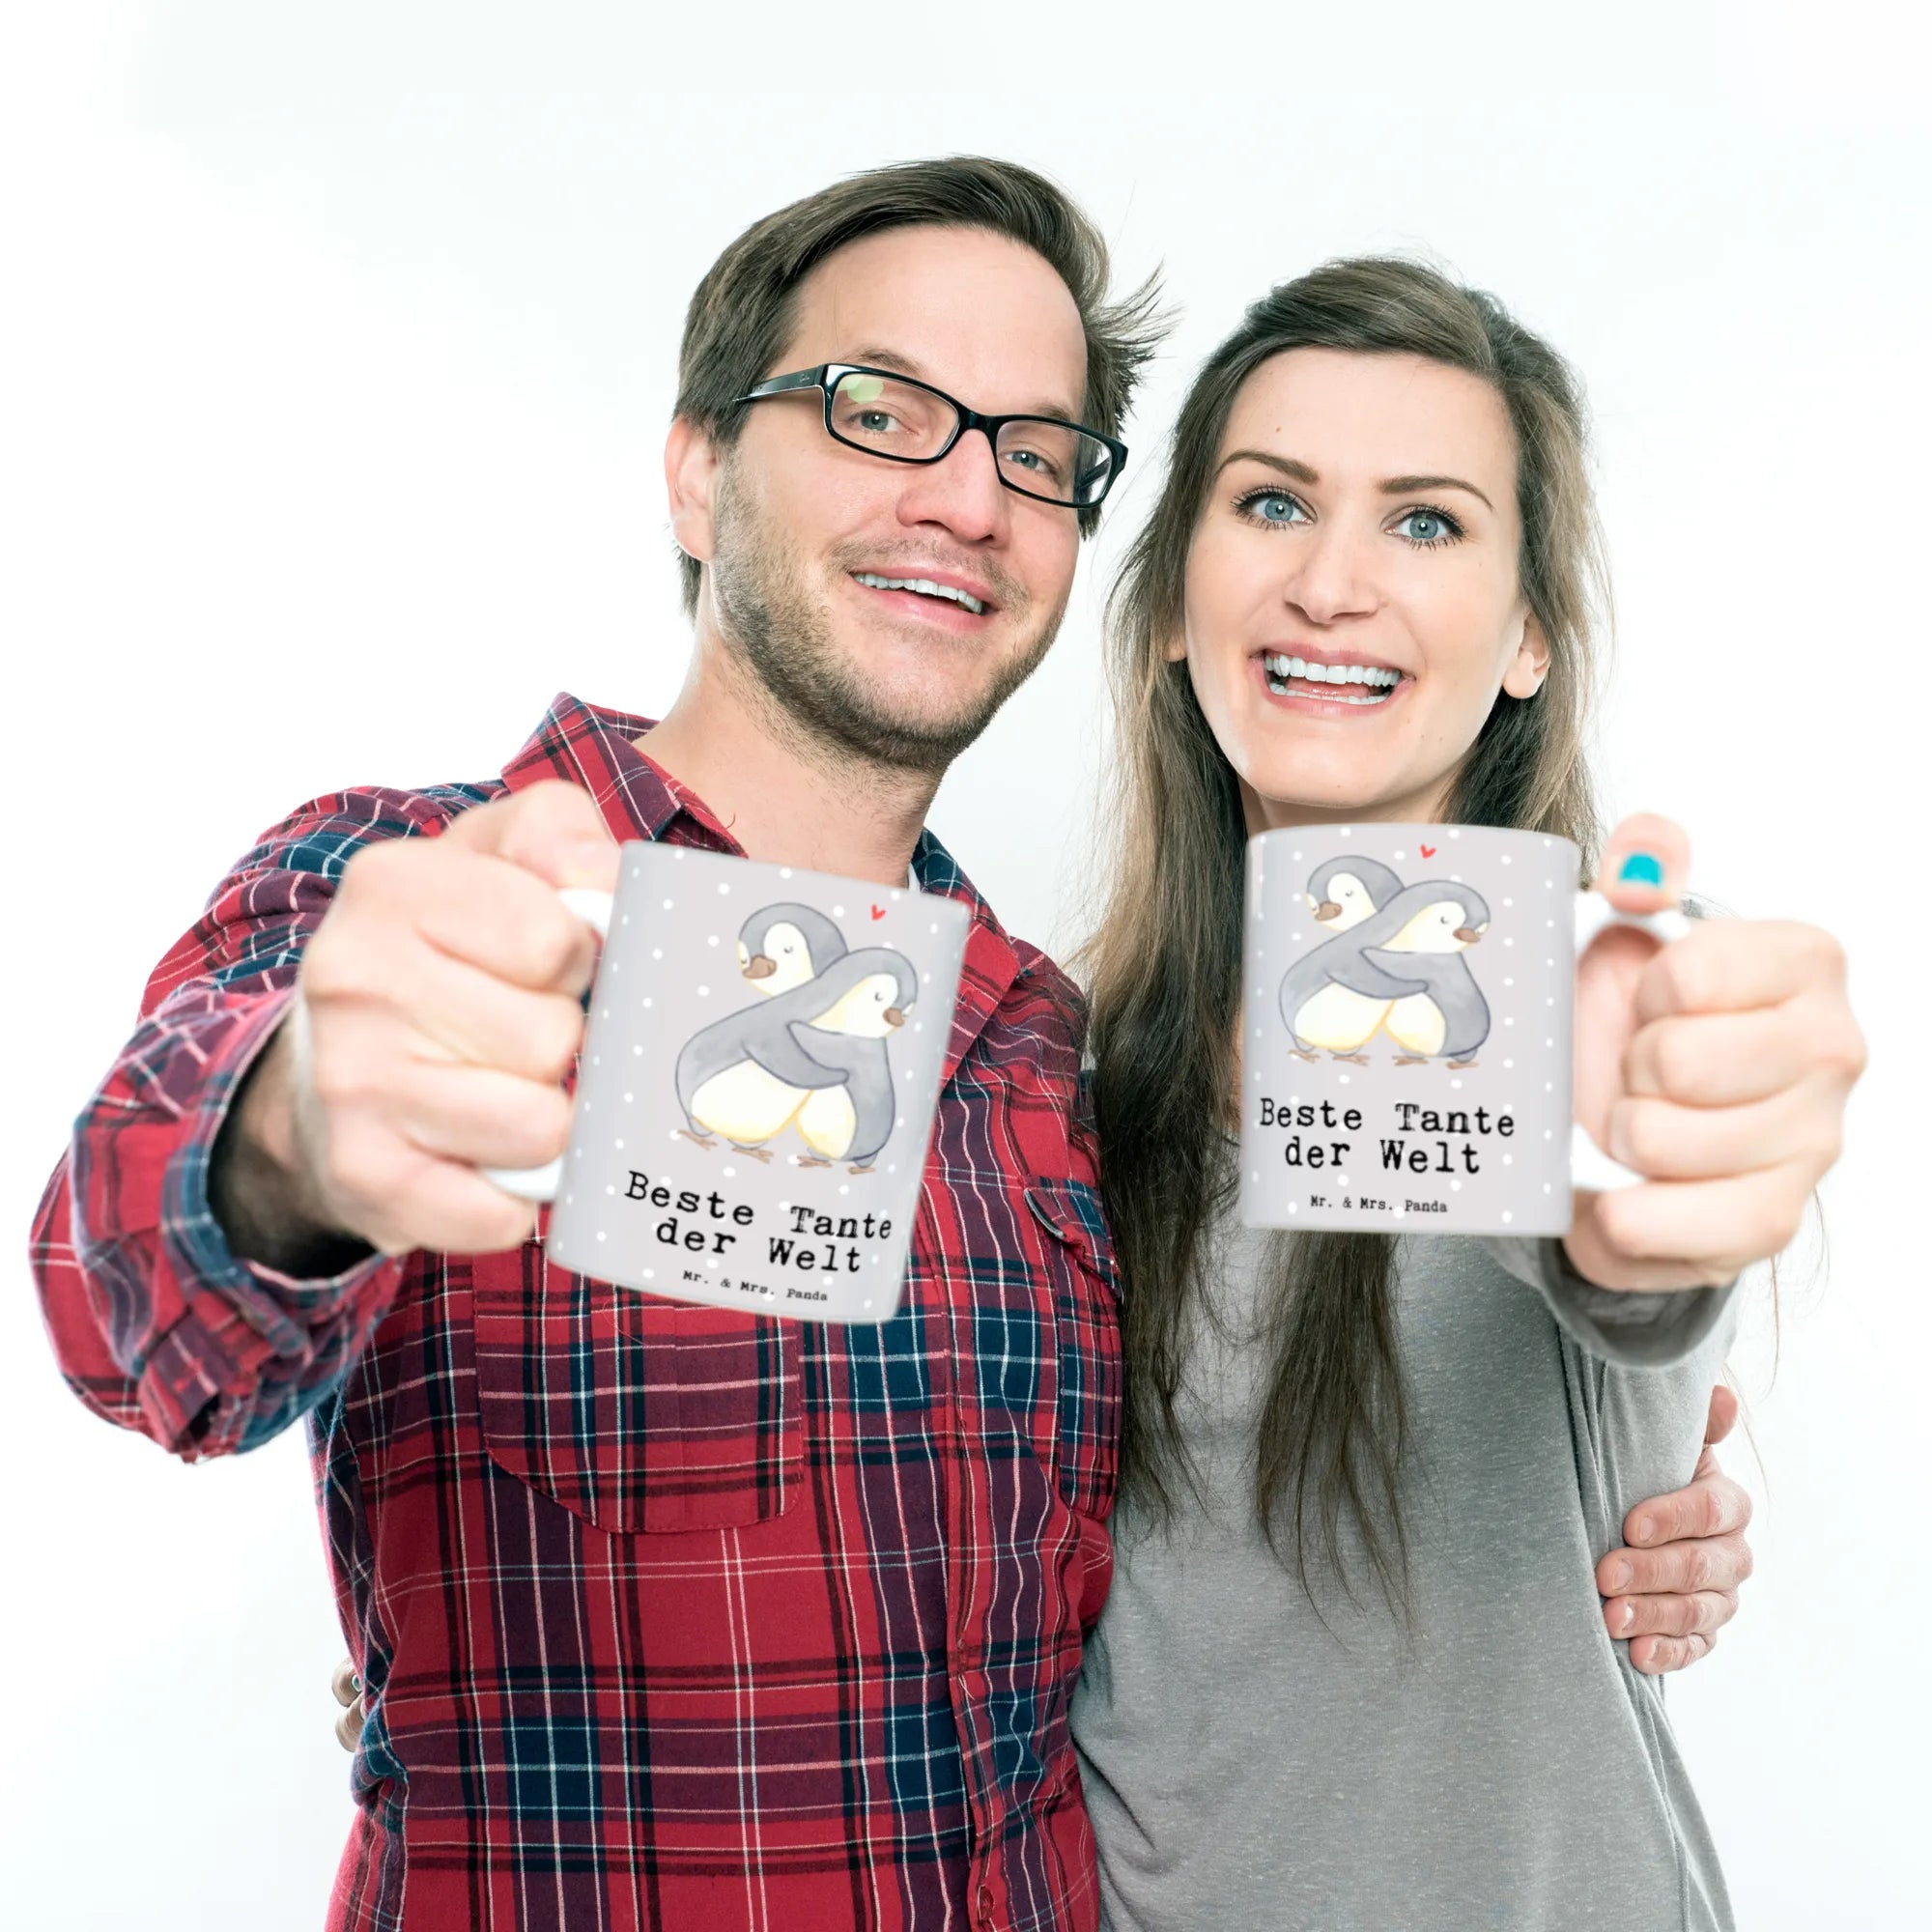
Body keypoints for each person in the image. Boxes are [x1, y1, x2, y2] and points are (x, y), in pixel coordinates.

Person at [35, 157, 1764, 1932]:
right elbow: (123, 1292)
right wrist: (296, 1139)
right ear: (697, 468)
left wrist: (1644, 1413)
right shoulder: (420, 893)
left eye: (1034, 451)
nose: (965, 496)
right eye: (880, 410)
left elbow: (1579, 1262)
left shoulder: (1042, 1055)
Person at [1070, 258, 1866, 1929]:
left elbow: (1628, 1251)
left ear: (1527, 639)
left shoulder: (1592, 1000)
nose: (1332, 583)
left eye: (1426, 522)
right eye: (1272, 503)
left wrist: (1668, 1181)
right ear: (1170, 605)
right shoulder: (1059, 1078)